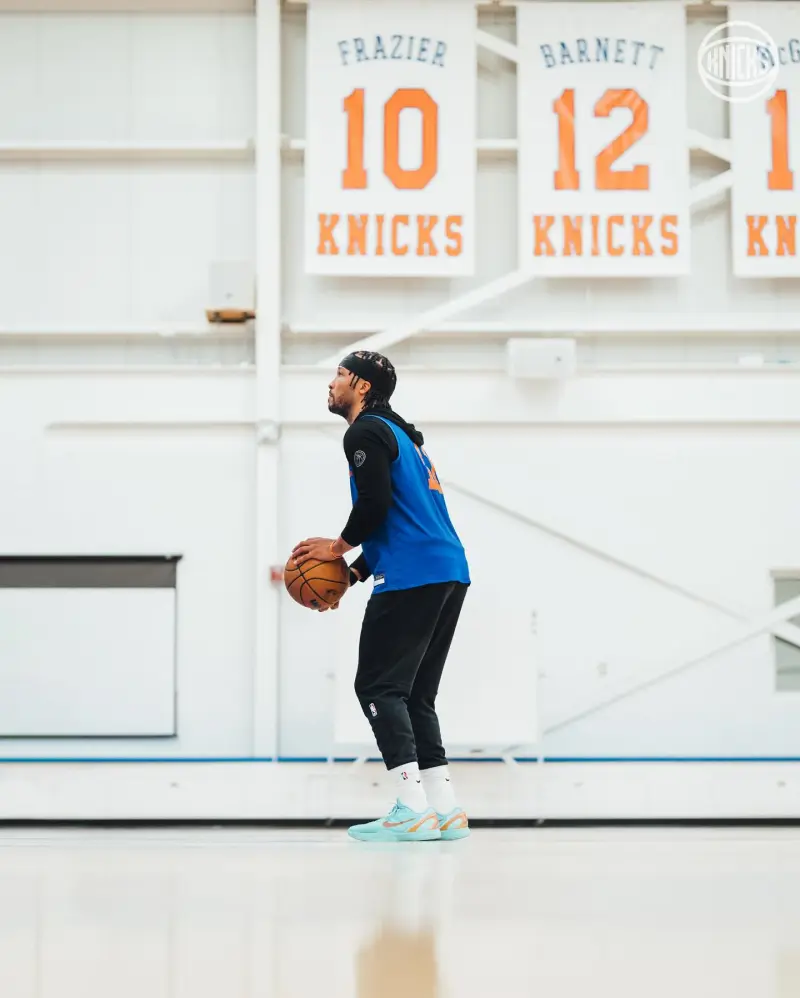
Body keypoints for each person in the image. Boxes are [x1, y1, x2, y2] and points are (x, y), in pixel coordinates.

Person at [292, 350, 471, 843]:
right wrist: (350, 575)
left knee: (377, 687)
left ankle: (411, 807)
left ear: (363, 386)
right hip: (448, 570)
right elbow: (399, 518)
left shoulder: (364, 432)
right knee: (416, 695)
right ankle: (444, 808)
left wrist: (335, 548)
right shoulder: (405, 439)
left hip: (412, 574)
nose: (332, 384)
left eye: (339, 375)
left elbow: (375, 505)